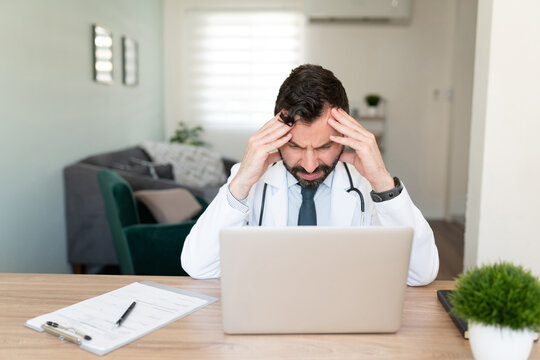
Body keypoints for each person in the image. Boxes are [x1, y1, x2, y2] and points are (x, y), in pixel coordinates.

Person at [181, 64, 439, 285]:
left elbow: (420, 274)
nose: (310, 165)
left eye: (325, 147)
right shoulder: (249, 181)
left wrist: (383, 182)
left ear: (345, 139)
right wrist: (242, 182)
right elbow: (199, 266)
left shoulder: (368, 186)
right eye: (294, 146)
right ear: (276, 136)